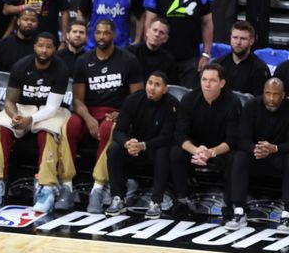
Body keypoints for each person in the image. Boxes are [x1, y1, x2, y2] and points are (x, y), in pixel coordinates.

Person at [68, 19, 143, 213]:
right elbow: (77, 100)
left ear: (114, 35)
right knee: (70, 125)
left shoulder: (128, 60)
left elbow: (137, 98)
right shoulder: (83, 61)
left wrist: (123, 114)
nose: (101, 37)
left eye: (106, 33)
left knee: (108, 128)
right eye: (98, 33)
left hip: (116, 113)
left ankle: (98, 187)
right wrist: (88, 118)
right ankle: (66, 184)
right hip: (89, 111)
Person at [0, 33, 72, 212]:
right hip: (23, 107)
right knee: (1, 126)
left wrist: (31, 120)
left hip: (50, 108)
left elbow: (51, 108)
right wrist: (14, 116)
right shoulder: (21, 66)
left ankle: (47, 187)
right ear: (34, 47)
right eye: (40, 45)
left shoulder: (61, 69)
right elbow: (10, 102)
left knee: (48, 130)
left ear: (55, 48)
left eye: (49, 46)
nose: (44, 50)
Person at [170, 63, 241, 213]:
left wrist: (211, 152)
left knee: (236, 157)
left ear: (222, 83)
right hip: (196, 147)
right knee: (176, 152)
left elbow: (232, 139)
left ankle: (230, 203)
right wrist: (196, 150)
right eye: (204, 79)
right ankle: (182, 198)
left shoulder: (233, 102)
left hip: (221, 149)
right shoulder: (189, 99)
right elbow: (179, 134)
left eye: (212, 81)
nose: (207, 85)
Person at [105, 72, 177, 219]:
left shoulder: (172, 104)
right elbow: (118, 131)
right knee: (114, 148)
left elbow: (167, 137)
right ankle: (118, 198)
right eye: (150, 83)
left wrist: (143, 145)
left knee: (164, 151)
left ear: (165, 89)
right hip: (133, 148)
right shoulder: (133, 99)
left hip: (154, 148)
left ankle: (156, 201)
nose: (152, 88)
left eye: (157, 85)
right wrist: (127, 143)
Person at [143, 0, 213, 88]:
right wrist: (150, 50)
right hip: (162, 56)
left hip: (190, 57)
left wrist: (206, 53)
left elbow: (207, 23)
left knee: (187, 98)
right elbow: (149, 23)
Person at [227, 78, 289, 231]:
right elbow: (242, 138)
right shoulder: (252, 105)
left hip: (279, 156)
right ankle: (239, 212)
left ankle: (287, 214)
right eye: (268, 93)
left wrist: (274, 148)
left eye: (276, 94)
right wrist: (255, 149)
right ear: (263, 93)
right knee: (239, 156)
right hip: (256, 155)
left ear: (283, 95)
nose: (271, 99)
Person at [213, 21, 270, 97]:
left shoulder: (260, 69)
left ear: (251, 41)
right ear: (230, 38)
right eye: (235, 37)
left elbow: (259, 103)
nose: (238, 42)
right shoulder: (218, 64)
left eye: (243, 39)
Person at [128, 17, 177, 83]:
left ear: (166, 39)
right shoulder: (130, 52)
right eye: (155, 30)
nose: (157, 34)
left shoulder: (169, 61)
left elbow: (169, 86)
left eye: (161, 33)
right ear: (147, 32)